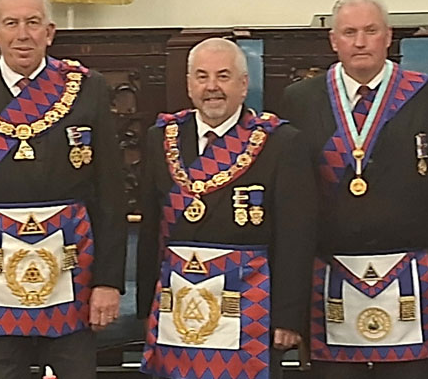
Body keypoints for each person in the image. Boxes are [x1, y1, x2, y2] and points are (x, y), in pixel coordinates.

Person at [0, 0, 125, 379]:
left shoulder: (87, 88)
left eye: (33, 22)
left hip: (75, 272)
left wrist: (108, 281)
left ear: (50, 32)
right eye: (11, 23)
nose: (23, 34)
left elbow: (110, 195)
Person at [278, 0, 428, 379]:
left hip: (411, 275)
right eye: (350, 32)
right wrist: (291, 295)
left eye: (370, 31)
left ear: (388, 36)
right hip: (329, 277)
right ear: (334, 41)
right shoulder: (300, 100)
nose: (360, 41)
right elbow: (291, 208)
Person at [136, 37, 317, 379]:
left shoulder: (281, 142)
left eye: (223, 76)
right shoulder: (161, 138)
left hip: (253, 311)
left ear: (244, 84)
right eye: (202, 77)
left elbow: (297, 238)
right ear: (189, 85)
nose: (212, 88)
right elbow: (151, 229)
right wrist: (148, 307)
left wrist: (288, 318)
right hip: (179, 309)